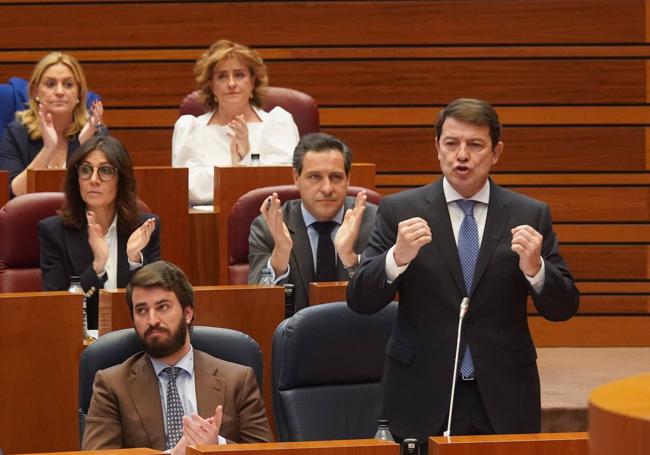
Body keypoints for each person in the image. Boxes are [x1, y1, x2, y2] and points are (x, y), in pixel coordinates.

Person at [347, 99, 580, 445]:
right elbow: (360, 300)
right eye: (451, 143)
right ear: (437, 148)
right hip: (420, 389)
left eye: (475, 145)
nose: (462, 155)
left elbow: (564, 308)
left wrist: (537, 270)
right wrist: (396, 257)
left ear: (496, 152)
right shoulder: (400, 210)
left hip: (504, 392)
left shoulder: (529, 214)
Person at [82, 260, 273, 453]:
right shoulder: (112, 385)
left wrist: (216, 446)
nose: (152, 320)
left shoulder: (237, 380)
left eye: (163, 307)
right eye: (141, 310)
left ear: (188, 313)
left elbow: (267, 452)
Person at [39, 135, 160, 330]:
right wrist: (96, 267)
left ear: (121, 179)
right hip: (80, 341)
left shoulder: (144, 228)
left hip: (134, 338)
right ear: (76, 178)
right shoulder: (54, 232)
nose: (94, 180)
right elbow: (58, 310)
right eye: (86, 170)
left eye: (105, 171)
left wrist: (134, 261)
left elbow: (155, 302)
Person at [248, 132, 377, 311]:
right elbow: (256, 303)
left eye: (336, 177)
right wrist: (280, 254)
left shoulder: (374, 222)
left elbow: (381, 295)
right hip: (292, 334)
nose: (327, 188)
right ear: (296, 178)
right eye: (315, 177)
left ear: (348, 179)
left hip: (360, 330)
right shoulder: (269, 226)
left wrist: (351, 259)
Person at [172, 39, 299, 205]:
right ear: (211, 85)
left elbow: (285, 183)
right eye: (222, 76)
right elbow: (188, 189)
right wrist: (234, 167)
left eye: (239, 75)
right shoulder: (190, 129)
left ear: (252, 81)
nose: (231, 84)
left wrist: (246, 157)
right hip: (207, 224)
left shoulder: (278, 123)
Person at [0, 51, 104, 197]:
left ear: (79, 94)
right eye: (50, 84)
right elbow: (12, 193)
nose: (60, 91)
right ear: (36, 91)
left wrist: (81, 146)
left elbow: (100, 192)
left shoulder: (94, 132)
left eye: (68, 85)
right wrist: (48, 149)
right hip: (29, 217)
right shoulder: (16, 133)